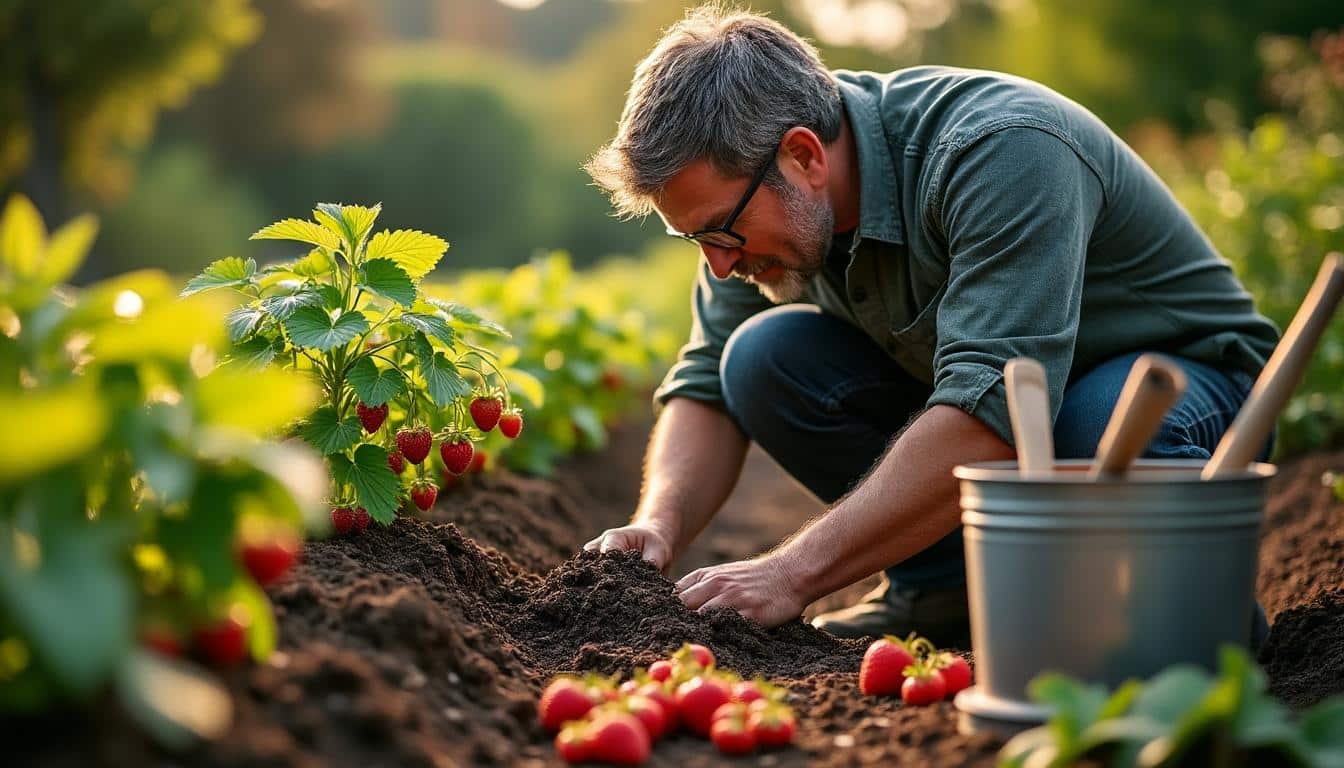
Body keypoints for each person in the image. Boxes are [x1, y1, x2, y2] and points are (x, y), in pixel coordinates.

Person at [581, 5, 1279, 647]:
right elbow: (706, 386)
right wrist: (658, 526)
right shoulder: (756, 200)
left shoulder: (999, 150)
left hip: (1183, 386)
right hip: (1023, 404)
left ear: (804, 156)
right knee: (758, 356)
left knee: (1092, 430)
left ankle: (1189, 630)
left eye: (721, 232)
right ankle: (944, 594)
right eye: (695, 240)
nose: (720, 265)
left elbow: (989, 411)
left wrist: (789, 572)